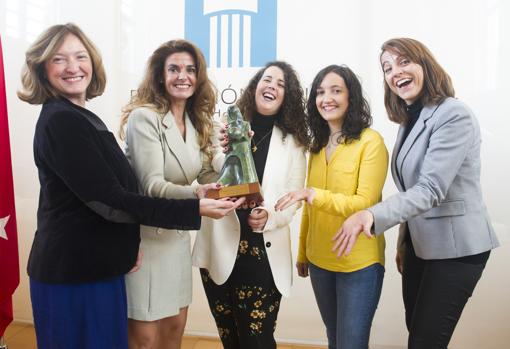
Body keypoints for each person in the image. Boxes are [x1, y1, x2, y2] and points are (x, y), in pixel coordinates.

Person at [17, 23, 242, 349]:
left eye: (80, 56)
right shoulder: (63, 121)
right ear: (42, 67)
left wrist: (238, 155)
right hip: (74, 271)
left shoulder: (79, 116)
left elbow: (202, 174)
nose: (72, 67)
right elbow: (117, 197)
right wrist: (196, 204)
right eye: (58, 59)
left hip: (100, 265)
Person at [333, 38, 500, 349]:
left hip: (457, 249)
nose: (396, 71)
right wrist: (405, 242)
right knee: (417, 333)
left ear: (424, 63)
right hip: (420, 248)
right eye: (387, 68)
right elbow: (412, 189)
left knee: (425, 342)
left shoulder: (453, 114)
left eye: (404, 61)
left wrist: (370, 215)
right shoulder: (411, 119)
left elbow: (431, 189)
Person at [192, 61, 311, 349]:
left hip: (263, 255)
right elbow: (207, 174)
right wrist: (228, 147)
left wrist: (269, 216)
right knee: (230, 339)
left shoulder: (294, 144)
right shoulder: (222, 128)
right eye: (267, 79)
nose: (272, 86)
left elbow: (292, 199)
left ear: (288, 97)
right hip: (219, 250)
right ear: (256, 86)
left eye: (281, 84)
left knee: (256, 341)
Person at [275, 65, 388, 349]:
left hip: (359, 263)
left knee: (351, 343)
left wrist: (313, 193)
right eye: (320, 92)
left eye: (336, 91)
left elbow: (365, 203)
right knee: (335, 339)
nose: (327, 98)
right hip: (319, 262)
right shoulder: (317, 146)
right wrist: (303, 253)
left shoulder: (370, 142)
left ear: (352, 97)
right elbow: (310, 209)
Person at [119, 39, 224, 349]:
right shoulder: (144, 117)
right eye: (174, 69)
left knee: (174, 330)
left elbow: (207, 175)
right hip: (146, 242)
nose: (183, 76)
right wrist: (198, 194)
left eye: (190, 70)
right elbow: (152, 185)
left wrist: (236, 158)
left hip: (177, 240)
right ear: (160, 76)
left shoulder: (197, 122)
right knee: (145, 339)